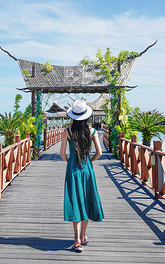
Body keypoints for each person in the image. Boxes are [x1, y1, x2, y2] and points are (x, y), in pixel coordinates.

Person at [60, 99, 104, 252]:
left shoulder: (67, 131)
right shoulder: (92, 131)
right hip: (87, 170)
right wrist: (89, 161)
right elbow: (99, 153)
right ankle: (83, 236)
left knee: (75, 202)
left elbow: (61, 153)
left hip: (72, 170)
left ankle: (76, 239)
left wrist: (70, 161)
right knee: (86, 200)